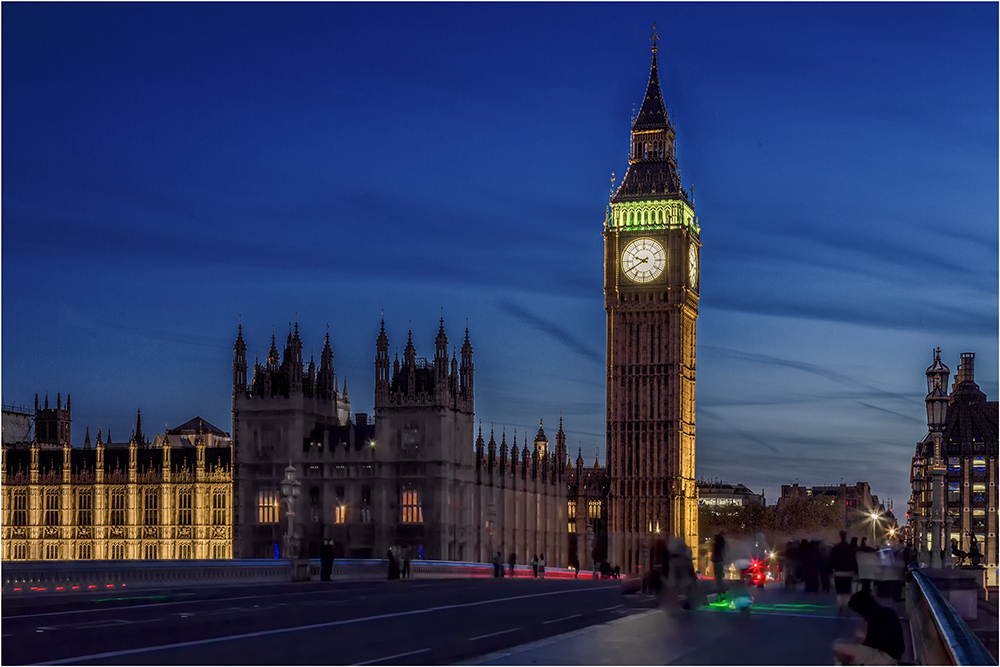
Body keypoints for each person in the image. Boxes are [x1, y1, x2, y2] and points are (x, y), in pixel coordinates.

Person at [832, 590, 904, 665]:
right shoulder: (886, 612)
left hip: (884, 656)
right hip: (891, 655)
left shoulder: (873, 619)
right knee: (850, 650)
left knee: (838, 646)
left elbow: (867, 642)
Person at [830, 531, 858, 615]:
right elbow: (854, 560)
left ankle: (841, 605)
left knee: (839, 591)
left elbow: (831, 560)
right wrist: (856, 571)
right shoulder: (850, 548)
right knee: (847, 590)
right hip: (848, 572)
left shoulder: (835, 548)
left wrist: (831, 570)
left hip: (838, 572)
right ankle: (847, 604)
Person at [711, 532, 727, 599]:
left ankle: (721, 593)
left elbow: (715, 553)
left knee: (718, 578)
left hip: (717, 561)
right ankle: (721, 593)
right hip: (719, 561)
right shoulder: (721, 544)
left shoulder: (717, 545)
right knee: (719, 578)